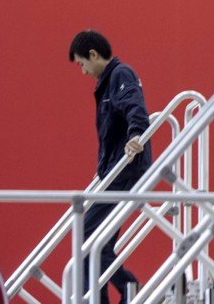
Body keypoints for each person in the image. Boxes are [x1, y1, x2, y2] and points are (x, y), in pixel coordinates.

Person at [69, 30, 153, 304]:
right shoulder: (108, 82)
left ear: (93, 54)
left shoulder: (120, 75)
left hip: (125, 174)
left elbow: (135, 108)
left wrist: (136, 135)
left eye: (82, 64)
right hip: (114, 173)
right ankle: (118, 292)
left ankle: (125, 288)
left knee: (86, 239)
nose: (83, 72)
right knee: (97, 244)